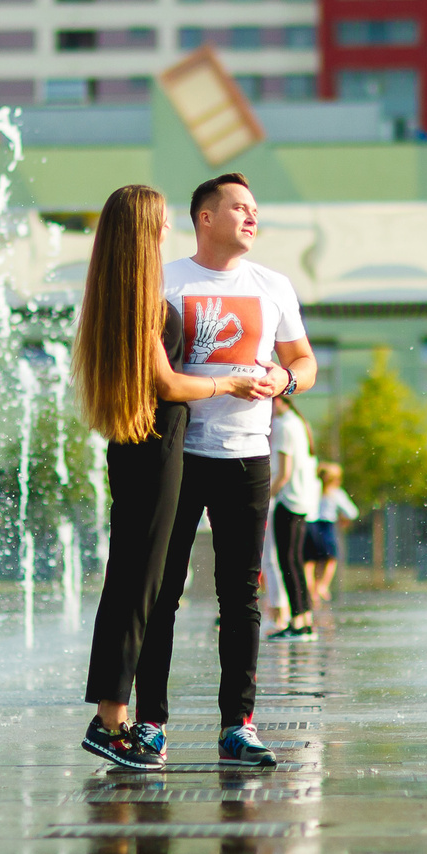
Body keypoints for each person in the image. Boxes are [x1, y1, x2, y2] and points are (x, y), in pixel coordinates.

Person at [76, 185, 276, 771]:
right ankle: (112, 721)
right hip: (157, 447)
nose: (167, 232)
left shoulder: (125, 292)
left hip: (146, 445)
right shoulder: (139, 298)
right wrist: (229, 384)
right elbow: (167, 384)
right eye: (159, 224)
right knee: (139, 586)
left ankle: (116, 716)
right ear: (140, 233)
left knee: (137, 584)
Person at [144, 173, 318, 768]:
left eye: (255, 208)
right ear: (205, 218)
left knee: (240, 594)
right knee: (161, 592)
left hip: (246, 453)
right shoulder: (165, 279)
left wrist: (284, 380)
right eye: (239, 208)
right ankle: (150, 723)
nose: (251, 218)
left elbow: (303, 361)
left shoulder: (273, 285)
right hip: (175, 454)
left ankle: (238, 724)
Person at [265, 394, 316, 639]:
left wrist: (264, 498)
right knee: (295, 561)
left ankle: (297, 621)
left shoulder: (284, 425)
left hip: (288, 501)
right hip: (302, 500)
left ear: (279, 401)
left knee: (288, 562)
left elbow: (283, 473)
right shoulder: (297, 422)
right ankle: (305, 619)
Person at [304, 462, 356, 613]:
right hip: (327, 526)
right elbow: (352, 512)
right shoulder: (336, 493)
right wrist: (343, 520)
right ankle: (323, 585)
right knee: (330, 559)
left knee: (310, 562)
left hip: (310, 524)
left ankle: (311, 590)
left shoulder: (312, 490)